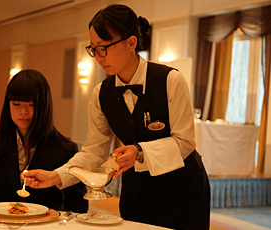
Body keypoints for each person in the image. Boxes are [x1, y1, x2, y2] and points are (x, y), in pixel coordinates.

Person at [23, 4, 210, 229]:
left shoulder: (171, 80)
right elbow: (93, 153)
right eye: (93, 49)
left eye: (104, 47)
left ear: (131, 42)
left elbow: (185, 142)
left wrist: (138, 151)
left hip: (183, 191)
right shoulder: (100, 94)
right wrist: (55, 177)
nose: (98, 57)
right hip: (136, 193)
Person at [0, 69, 88, 213]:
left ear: (44, 106)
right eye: (16, 104)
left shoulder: (65, 150)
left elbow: (78, 208)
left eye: (31, 104)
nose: (24, 111)